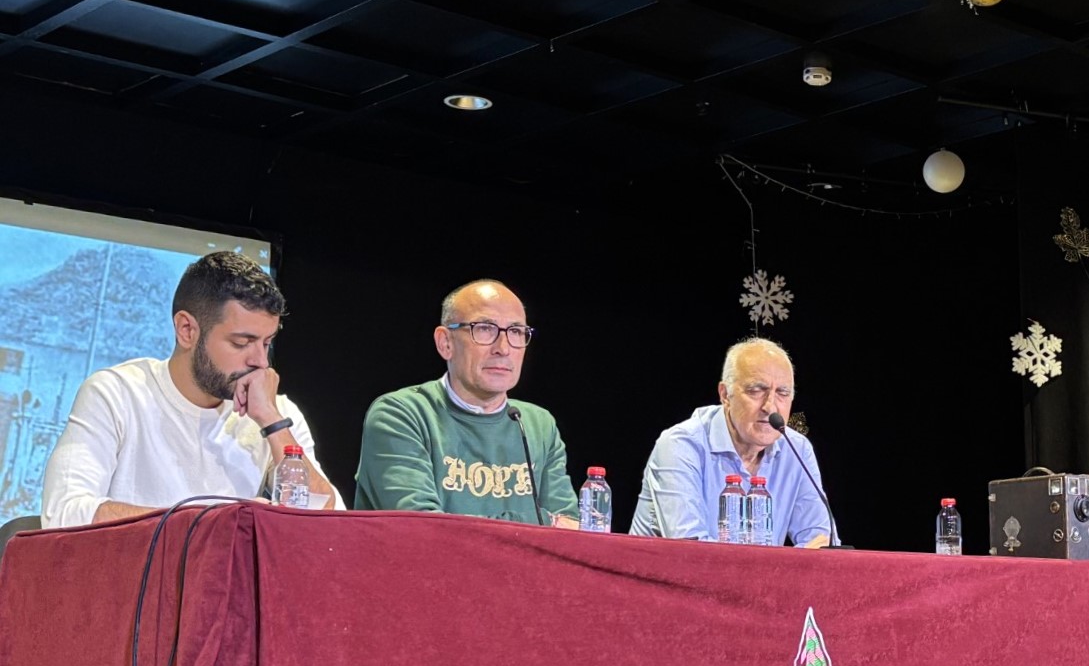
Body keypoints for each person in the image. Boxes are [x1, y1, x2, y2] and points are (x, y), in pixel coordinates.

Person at [41, 251, 340, 528]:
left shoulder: (276, 413)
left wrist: (273, 424)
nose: (260, 362)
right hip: (136, 583)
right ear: (187, 330)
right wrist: (213, 524)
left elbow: (329, 523)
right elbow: (64, 513)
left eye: (266, 343)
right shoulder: (116, 393)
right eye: (241, 343)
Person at [354, 279, 578, 526]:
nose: (503, 348)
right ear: (445, 343)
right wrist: (541, 522)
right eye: (484, 328)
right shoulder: (400, 415)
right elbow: (423, 529)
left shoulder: (539, 424)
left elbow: (573, 532)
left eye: (515, 331)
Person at [631, 337, 832, 546]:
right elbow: (691, 551)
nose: (770, 407)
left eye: (782, 393)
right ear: (725, 394)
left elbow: (821, 543)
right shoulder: (680, 446)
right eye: (756, 390)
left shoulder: (797, 449)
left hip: (760, 578)